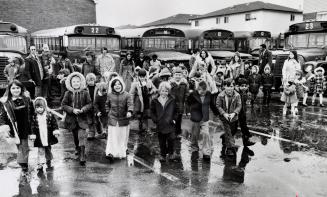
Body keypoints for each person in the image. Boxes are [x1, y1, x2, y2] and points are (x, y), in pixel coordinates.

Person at [0, 80, 34, 175]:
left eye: (18, 88)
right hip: (14, 127)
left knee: (24, 146)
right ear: (9, 89)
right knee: (19, 146)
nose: (16, 90)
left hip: (25, 126)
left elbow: (32, 112)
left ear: (21, 89)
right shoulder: (6, 102)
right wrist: (4, 125)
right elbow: (2, 116)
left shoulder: (26, 99)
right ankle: (23, 162)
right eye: (13, 88)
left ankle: (23, 165)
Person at [61, 72, 92, 166]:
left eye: (77, 81)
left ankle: (82, 154)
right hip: (72, 120)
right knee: (75, 137)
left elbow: (90, 104)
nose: (75, 83)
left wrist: (83, 109)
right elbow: (63, 105)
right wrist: (72, 110)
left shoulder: (85, 92)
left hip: (82, 119)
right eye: (73, 82)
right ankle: (77, 148)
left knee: (81, 136)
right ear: (70, 83)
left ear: (81, 82)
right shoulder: (68, 93)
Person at [187, 81, 218, 161]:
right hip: (195, 117)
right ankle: (194, 150)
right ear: (198, 89)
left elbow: (212, 104)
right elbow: (187, 103)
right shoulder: (193, 94)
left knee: (206, 134)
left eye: (204, 90)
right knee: (194, 135)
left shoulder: (208, 94)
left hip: (204, 118)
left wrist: (217, 113)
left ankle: (206, 152)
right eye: (200, 90)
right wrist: (188, 112)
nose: (202, 92)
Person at [105, 77, 133, 161]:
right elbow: (107, 104)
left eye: (119, 84)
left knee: (121, 136)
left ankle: (120, 153)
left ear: (122, 85)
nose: (117, 86)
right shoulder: (109, 95)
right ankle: (111, 153)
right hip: (112, 118)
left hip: (123, 119)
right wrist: (108, 112)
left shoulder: (127, 95)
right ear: (112, 86)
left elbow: (130, 104)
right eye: (115, 85)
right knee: (112, 136)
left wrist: (129, 111)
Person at [30, 97, 59, 171]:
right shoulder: (34, 116)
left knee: (48, 149)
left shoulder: (49, 115)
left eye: (41, 107)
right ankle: (40, 163)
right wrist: (33, 134)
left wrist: (55, 131)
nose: (39, 109)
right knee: (40, 150)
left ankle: (48, 160)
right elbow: (32, 126)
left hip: (47, 135)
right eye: (37, 107)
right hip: (39, 136)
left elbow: (54, 124)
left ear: (44, 107)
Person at [151, 82, 177, 162]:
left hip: (170, 123)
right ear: (159, 91)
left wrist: (174, 119)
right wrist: (155, 120)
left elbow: (176, 111)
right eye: (162, 91)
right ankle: (162, 154)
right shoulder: (155, 100)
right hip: (160, 123)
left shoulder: (172, 99)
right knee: (161, 140)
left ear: (168, 91)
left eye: (166, 91)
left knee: (171, 138)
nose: (164, 93)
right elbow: (152, 111)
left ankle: (171, 152)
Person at [216, 79, 242, 156]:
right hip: (224, 118)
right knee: (228, 132)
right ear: (224, 87)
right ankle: (230, 148)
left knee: (233, 131)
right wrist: (224, 114)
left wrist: (234, 113)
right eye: (227, 86)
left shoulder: (237, 95)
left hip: (234, 117)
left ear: (234, 87)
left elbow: (239, 105)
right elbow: (218, 106)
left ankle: (224, 137)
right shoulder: (220, 95)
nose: (229, 88)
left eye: (231, 86)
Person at [130, 68, 156, 134]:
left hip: (146, 100)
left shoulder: (149, 82)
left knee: (146, 114)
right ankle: (140, 127)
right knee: (139, 114)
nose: (142, 78)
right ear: (138, 76)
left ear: (145, 76)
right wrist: (131, 102)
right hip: (139, 101)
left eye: (143, 77)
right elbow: (131, 93)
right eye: (140, 77)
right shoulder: (135, 83)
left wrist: (150, 92)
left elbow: (154, 89)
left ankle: (146, 128)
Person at [169, 67, 189, 138]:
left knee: (179, 119)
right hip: (172, 104)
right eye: (176, 74)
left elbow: (187, 94)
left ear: (182, 75)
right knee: (172, 118)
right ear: (173, 75)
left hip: (180, 104)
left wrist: (186, 100)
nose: (178, 76)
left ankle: (178, 132)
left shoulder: (184, 84)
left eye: (179, 75)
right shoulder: (170, 84)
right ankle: (172, 132)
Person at [85, 73, 97, 140]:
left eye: (92, 80)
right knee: (89, 120)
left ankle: (100, 131)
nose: (90, 82)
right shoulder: (85, 88)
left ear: (94, 80)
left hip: (96, 105)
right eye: (89, 80)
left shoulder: (98, 87)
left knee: (97, 119)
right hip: (88, 106)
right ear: (86, 81)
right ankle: (91, 132)